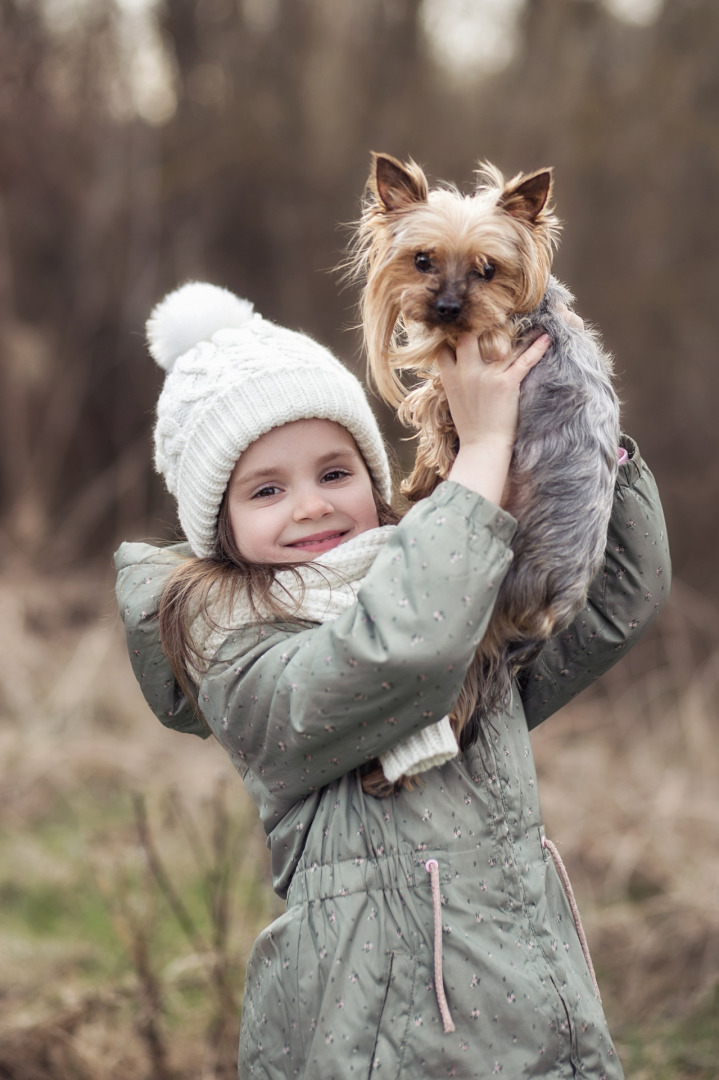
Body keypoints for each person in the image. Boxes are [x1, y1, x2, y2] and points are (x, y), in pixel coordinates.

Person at [115, 281, 670, 1079]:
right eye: (267, 489)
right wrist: (479, 459)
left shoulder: (452, 577)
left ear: (372, 481)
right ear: (221, 524)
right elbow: (395, 655)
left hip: (532, 1003)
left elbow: (618, 597)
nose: (309, 506)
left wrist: (567, 424)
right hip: (374, 1036)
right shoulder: (238, 655)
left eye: (333, 472)